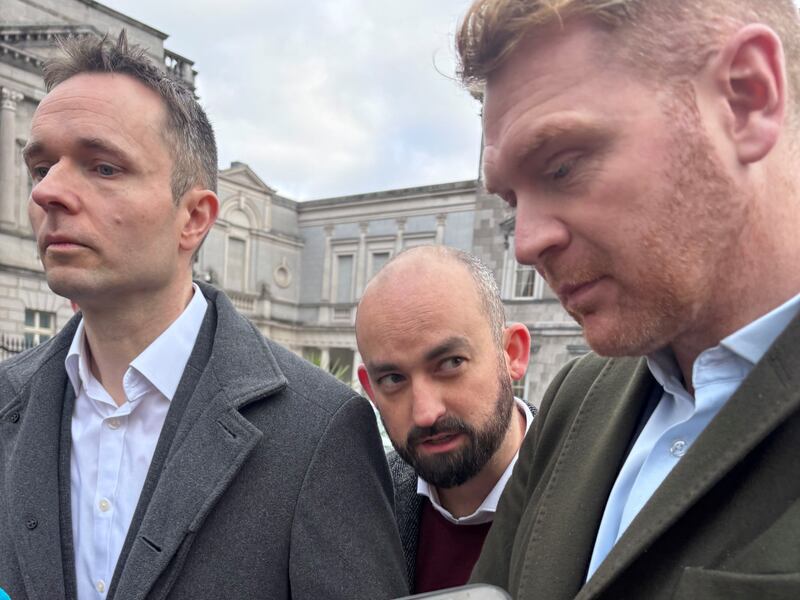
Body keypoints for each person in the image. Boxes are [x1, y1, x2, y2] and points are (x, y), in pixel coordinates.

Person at [0, 33, 407, 600]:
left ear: (193, 218)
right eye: (41, 167)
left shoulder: (318, 430)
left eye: (103, 167)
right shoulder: (7, 401)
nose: (50, 193)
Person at [454, 0, 800, 598]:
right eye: (512, 201)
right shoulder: (576, 397)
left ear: (746, 98)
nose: (527, 245)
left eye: (561, 167)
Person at [355, 246, 535, 594]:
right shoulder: (361, 505)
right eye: (393, 379)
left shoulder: (600, 489)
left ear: (512, 353)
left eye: (451, 363)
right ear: (370, 390)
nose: (425, 412)